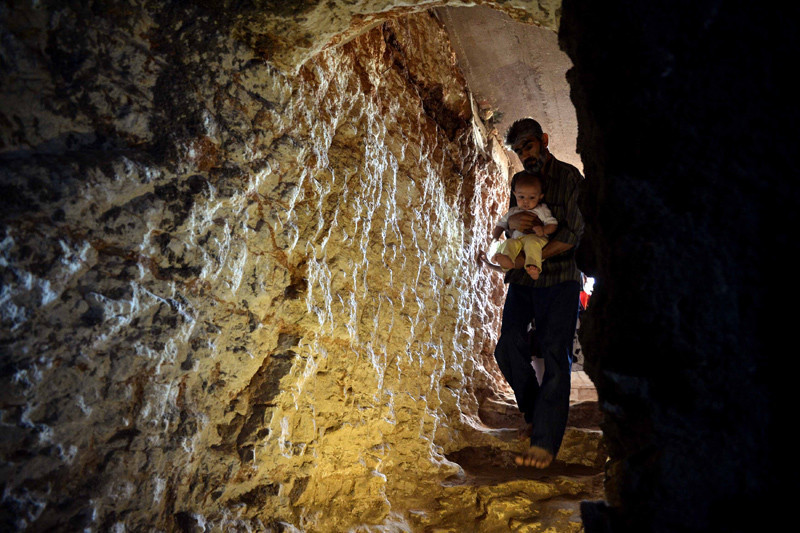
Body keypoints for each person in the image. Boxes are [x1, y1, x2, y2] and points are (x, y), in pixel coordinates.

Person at [492, 117, 585, 468]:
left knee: (554, 352)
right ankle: (534, 412)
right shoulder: (520, 182)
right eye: (518, 151)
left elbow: (573, 235)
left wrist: (534, 258)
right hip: (525, 282)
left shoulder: (570, 179)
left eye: (528, 146)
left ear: (544, 140)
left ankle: (544, 443)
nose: (525, 155)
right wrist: (512, 226)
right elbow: (511, 227)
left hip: (561, 279)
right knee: (507, 346)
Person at [491, 172, 558, 280]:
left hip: (537, 239)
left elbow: (553, 224)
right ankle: (507, 261)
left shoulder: (542, 209)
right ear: (515, 194)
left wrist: (543, 230)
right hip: (517, 241)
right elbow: (501, 224)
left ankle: (534, 267)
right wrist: (495, 238)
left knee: (532, 243)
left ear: (540, 197)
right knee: (509, 243)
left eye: (532, 197)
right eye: (521, 197)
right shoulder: (513, 211)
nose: (526, 201)